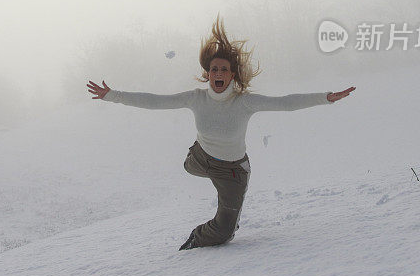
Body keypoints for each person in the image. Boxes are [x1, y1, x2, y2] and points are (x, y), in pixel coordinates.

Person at [86, 15, 355, 251]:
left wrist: (326, 97)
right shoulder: (196, 98)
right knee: (189, 166)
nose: (218, 73)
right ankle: (198, 156)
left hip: (232, 171)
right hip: (201, 158)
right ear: (208, 73)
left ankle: (197, 238)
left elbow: (285, 103)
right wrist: (113, 95)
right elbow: (156, 101)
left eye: (223, 70)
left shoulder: (244, 102)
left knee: (224, 232)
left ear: (231, 75)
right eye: (214, 69)